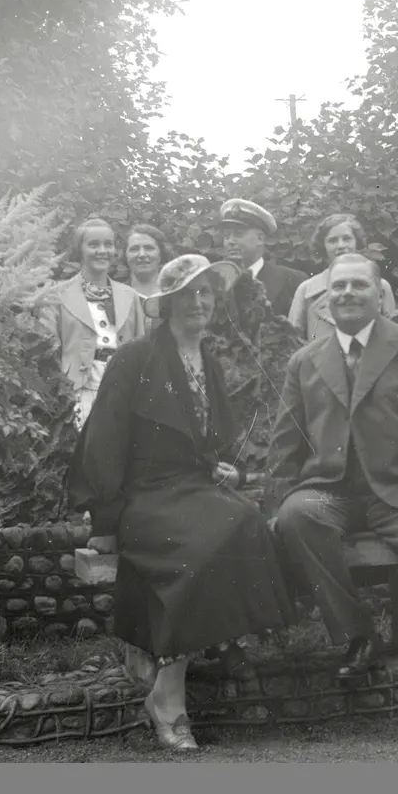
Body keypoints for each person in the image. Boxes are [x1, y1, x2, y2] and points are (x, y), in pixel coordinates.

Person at [65, 254, 297, 752]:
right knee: (197, 550)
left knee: (246, 519)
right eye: (187, 294)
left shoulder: (206, 359)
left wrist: (227, 469)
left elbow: (208, 439)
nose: (198, 302)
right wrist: (105, 520)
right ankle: (170, 697)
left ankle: (189, 661)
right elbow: (103, 440)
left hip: (192, 488)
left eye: (206, 292)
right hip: (143, 495)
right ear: (167, 303)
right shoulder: (135, 357)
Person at [268, 252, 398, 748]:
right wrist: (273, 502)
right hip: (332, 490)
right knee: (296, 516)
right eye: (338, 287)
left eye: (358, 285)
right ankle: (359, 635)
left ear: (379, 294)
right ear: (324, 299)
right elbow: (284, 444)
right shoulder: (304, 360)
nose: (347, 293)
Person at [48, 217, 145, 428]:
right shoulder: (56, 295)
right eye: (93, 244)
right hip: (78, 389)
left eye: (108, 244)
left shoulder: (130, 296)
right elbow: (48, 352)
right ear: (80, 249)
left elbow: (142, 350)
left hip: (124, 389)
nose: (102, 251)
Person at [288, 213, 397, 343]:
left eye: (347, 239)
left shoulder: (380, 286)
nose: (340, 245)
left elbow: (394, 337)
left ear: (356, 242)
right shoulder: (307, 290)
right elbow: (292, 342)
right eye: (332, 241)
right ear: (323, 245)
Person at [220, 198, 307, 317]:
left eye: (239, 234)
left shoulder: (293, 280)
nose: (230, 241)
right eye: (226, 236)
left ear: (260, 238)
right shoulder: (215, 281)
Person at [122, 223, 176, 328]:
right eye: (134, 249)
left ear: (161, 253)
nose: (142, 254)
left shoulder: (176, 296)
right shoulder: (114, 297)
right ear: (125, 255)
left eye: (149, 248)